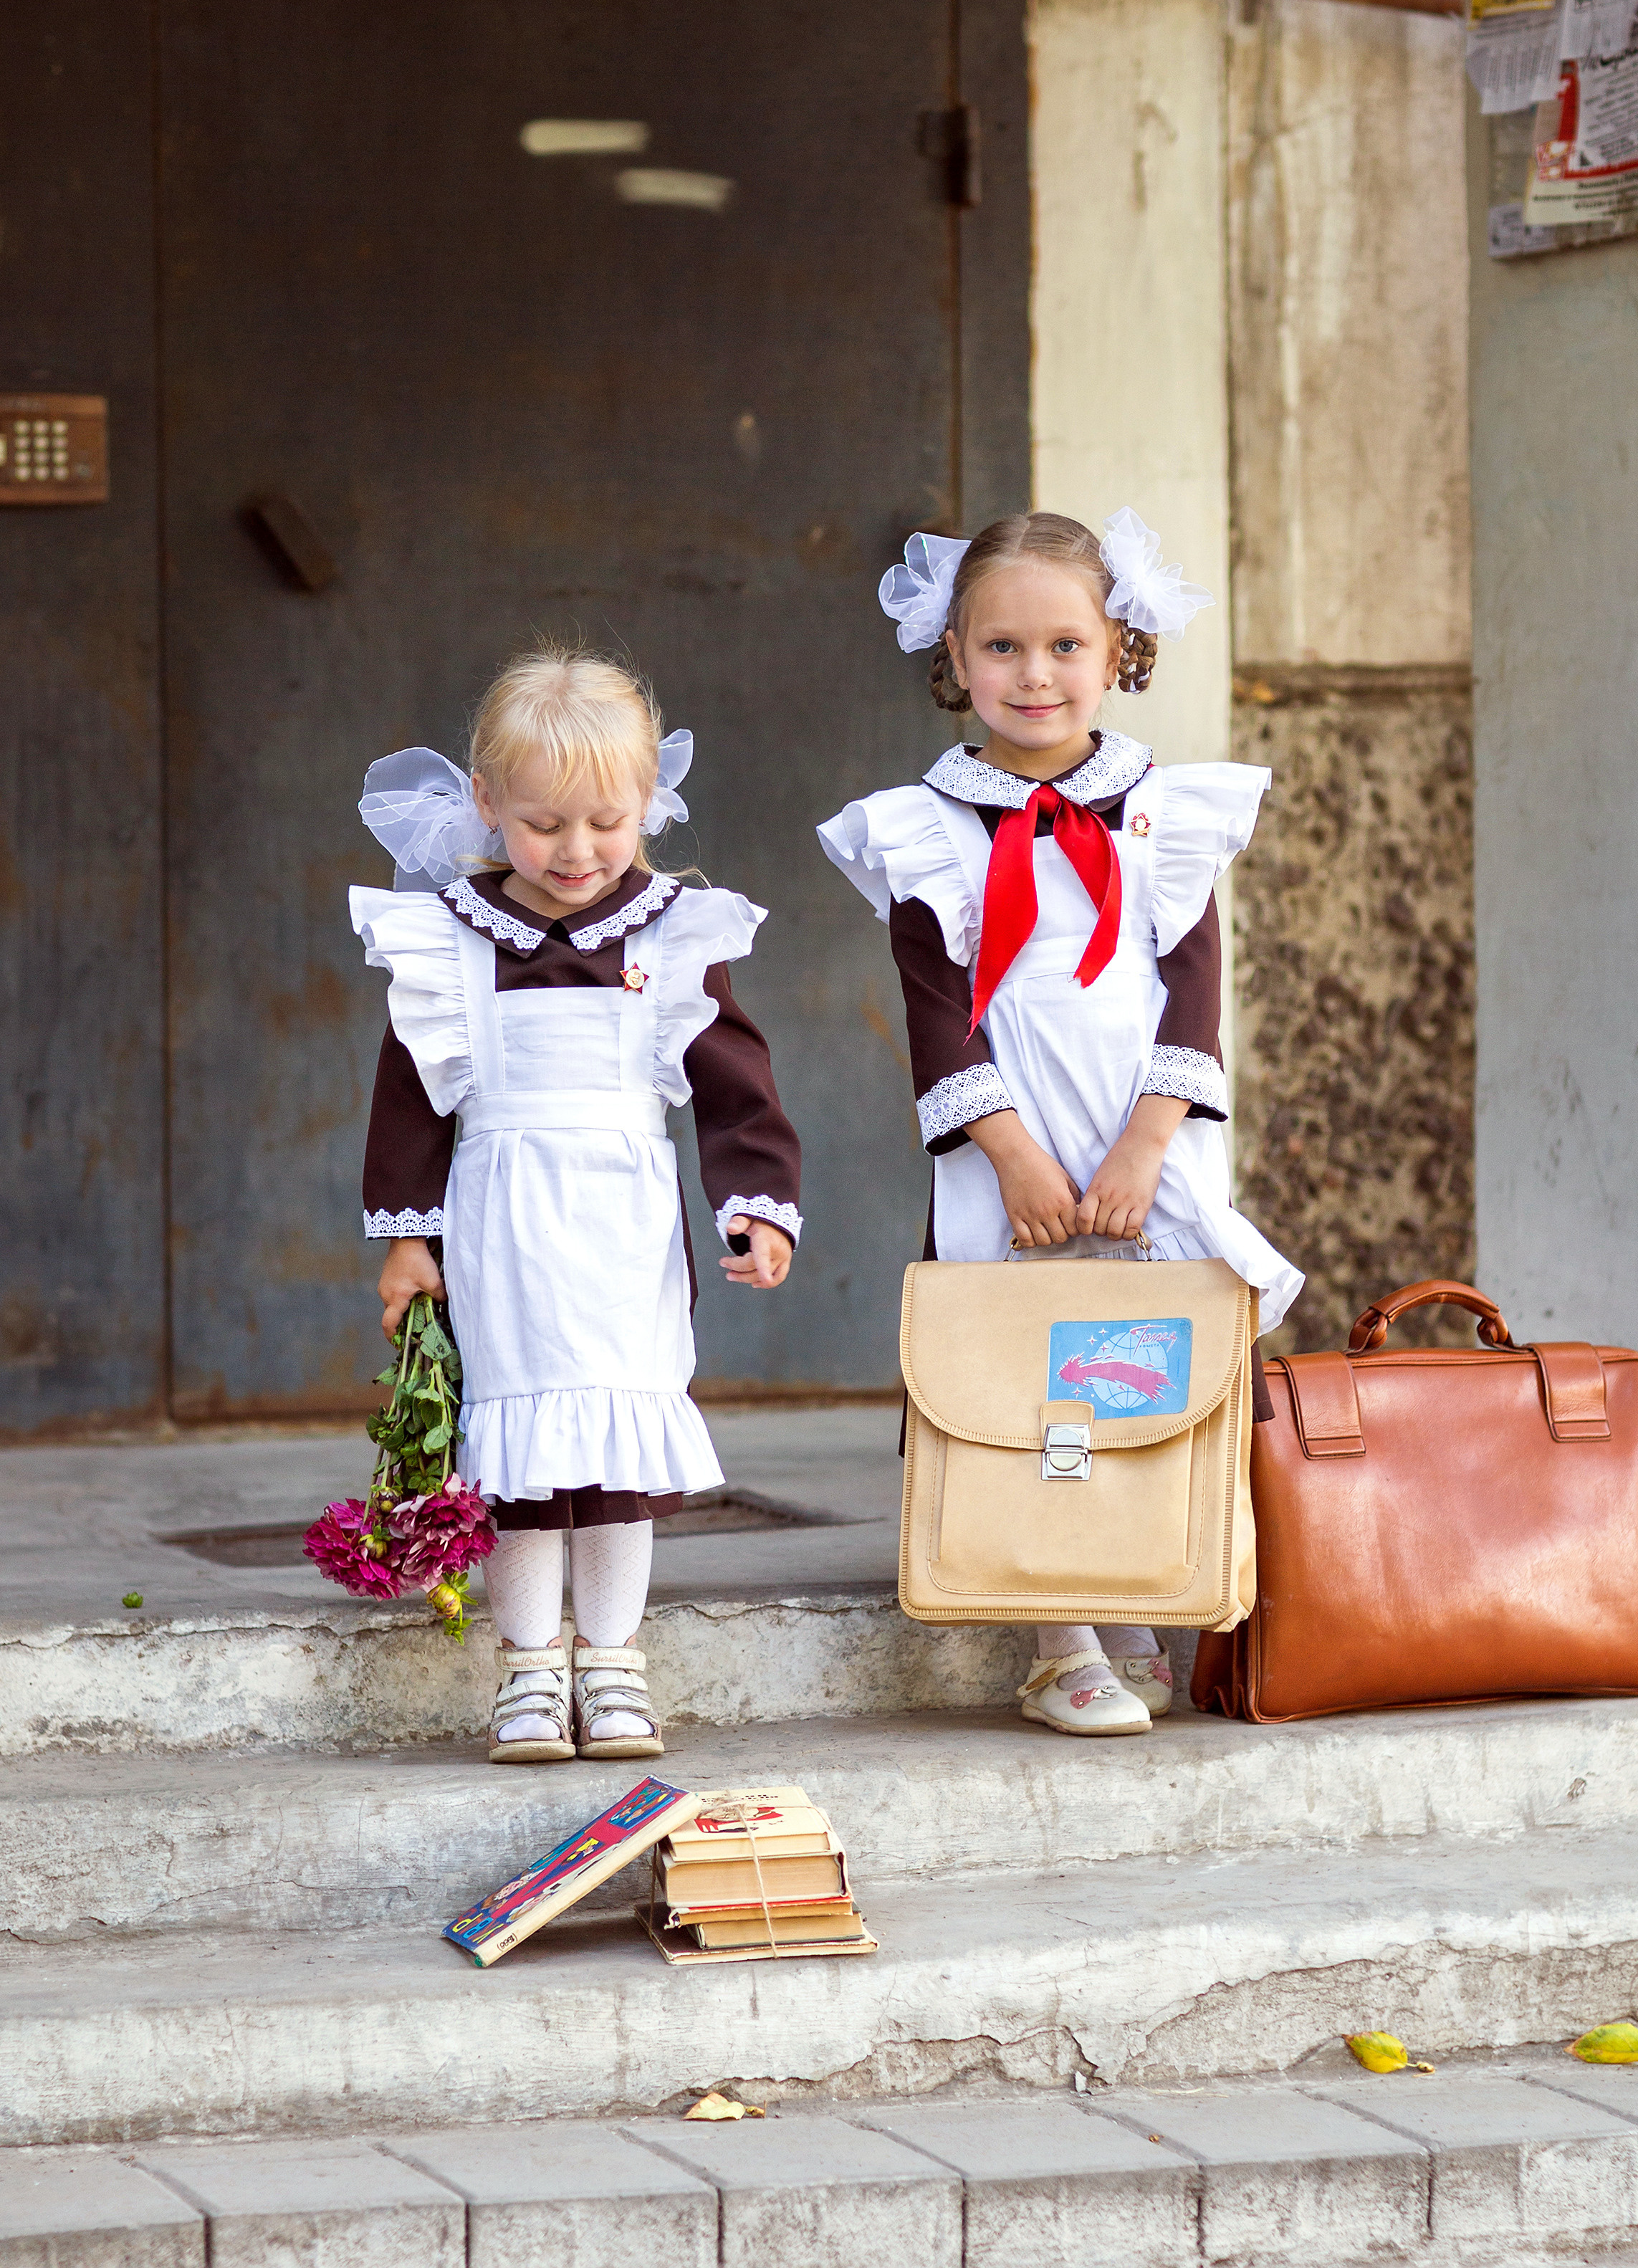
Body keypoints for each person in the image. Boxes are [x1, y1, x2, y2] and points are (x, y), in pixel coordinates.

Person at [819, 511, 1300, 1737]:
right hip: (1012, 1130)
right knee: (1028, 1359)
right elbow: (938, 1009)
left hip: (1146, 1114)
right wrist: (1012, 1151)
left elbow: (1192, 980)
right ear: (953, 656)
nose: (1034, 675)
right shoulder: (927, 829)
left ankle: (1139, 1574)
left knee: (1145, 1341)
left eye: (1065, 645)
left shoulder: (1164, 810)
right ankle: (1057, 1633)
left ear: (1117, 648)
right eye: (1001, 647)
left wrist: (1147, 1137)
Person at [350, 648, 801, 1764]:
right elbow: (410, 1099)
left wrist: (757, 1203)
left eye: (607, 821)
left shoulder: (672, 933)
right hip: (500, 1223)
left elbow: (735, 1084)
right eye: (545, 823)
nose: (578, 851)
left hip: (623, 1223)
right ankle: (528, 1673)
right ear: (487, 803)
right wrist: (408, 1238)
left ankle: (611, 1661)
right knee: (515, 1451)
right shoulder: (451, 941)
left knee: (610, 1449)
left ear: (649, 801)